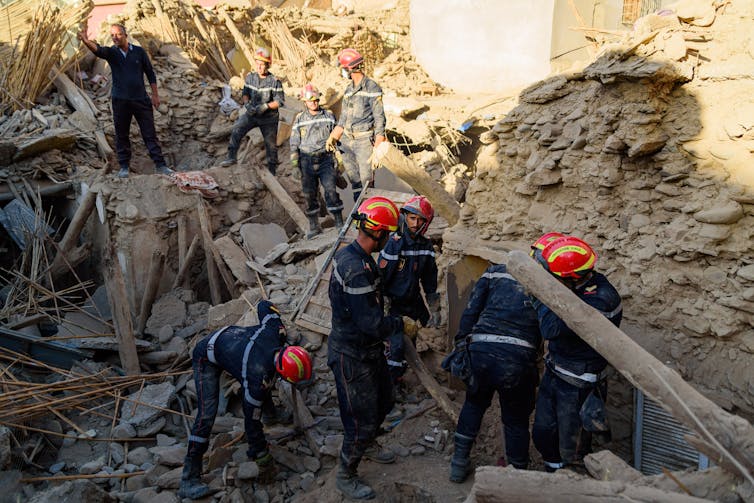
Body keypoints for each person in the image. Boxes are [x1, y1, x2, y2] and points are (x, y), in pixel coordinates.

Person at [444, 234, 562, 482]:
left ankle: (458, 464)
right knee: (516, 420)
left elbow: (471, 311)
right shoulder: (550, 285)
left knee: (474, 404)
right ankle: (517, 476)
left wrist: (461, 344)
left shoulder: (496, 271)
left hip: (481, 351)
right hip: (517, 360)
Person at [178, 300, 313, 499]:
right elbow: (251, 422)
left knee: (264, 383)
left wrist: (280, 323)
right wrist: (261, 456)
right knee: (207, 415)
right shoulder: (256, 377)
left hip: (232, 340)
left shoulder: (275, 330)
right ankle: (188, 478)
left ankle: (271, 416)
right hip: (206, 356)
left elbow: (263, 305)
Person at [328, 196, 407, 500]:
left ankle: (370, 443)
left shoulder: (358, 256)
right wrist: (399, 325)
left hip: (368, 350)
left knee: (384, 401)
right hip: (352, 355)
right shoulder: (356, 268)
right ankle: (346, 474)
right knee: (360, 419)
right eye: (388, 232)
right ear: (379, 233)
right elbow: (371, 324)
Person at [530, 236, 623, 472]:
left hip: (578, 386)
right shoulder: (582, 284)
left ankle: (570, 484)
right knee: (543, 434)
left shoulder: (599, 300)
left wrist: (538, 292)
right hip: (556, 373)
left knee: (572, 448)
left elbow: (550, 328)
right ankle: (554, 475)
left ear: (571, 278)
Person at [77, 23, 174, 178]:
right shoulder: (112, 53)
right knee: (122, 134)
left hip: (141, 100)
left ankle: (161, 165)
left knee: (149, 134)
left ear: (125, 34)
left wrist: (155, 95)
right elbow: (98, 50)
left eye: (118, 34)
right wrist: (85, 41)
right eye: (112, 35)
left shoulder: (139, 52)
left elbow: (150, 73)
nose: (115, 38)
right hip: (120, 101)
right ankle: (124, 167)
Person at [378, 195, 439, 385]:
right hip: (393, 303)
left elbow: (429, 279)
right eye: (412, 218)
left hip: (412, 302)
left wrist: (433, 307)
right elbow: (381, 277)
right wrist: (384, 307)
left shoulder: (426, 246)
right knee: (394, 347)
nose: (415, 223)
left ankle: (399, 379)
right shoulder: (394, 243)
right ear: (405, 217)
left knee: (409, 342)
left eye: (419, 219)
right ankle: (389, 390)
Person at [325, 48, 386, 202]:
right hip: (346, 141)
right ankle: (358, 216)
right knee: (355, 181)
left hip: (364, 141)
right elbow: (344, 117)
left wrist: (378, 145)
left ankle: (369, 215)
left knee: (367, 182)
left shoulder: (372, 87)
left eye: (343, 68)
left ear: (350, 68)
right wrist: (334, 135)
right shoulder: (348, 89)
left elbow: (380, 118)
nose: (342, 72)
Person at [290, 84, 344, 238]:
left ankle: (339, 223)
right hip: (306, 160)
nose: (313, 103)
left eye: (315, 100)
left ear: (319, 99)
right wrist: (295, 165)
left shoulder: (328, 115)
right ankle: (314, 227)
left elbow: (337, 139)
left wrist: (339, 161)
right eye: (310, 100)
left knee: (331, 190)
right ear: (304, 102)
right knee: (309, 194)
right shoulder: (300, 119)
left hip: (325, 159)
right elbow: (294, 143)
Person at [219, 48, 284, 174]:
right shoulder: (250, 78)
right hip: (252, 114)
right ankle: (231, 157)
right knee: (237, 129)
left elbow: (279, 101)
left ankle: (272, 171)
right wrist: (247, 104)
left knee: (271, 146)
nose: (259, 67)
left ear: (267, 65)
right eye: (257, 64)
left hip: (268, 118)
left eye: (262, 64)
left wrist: (265, 106)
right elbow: (245, 93)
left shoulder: (275, 82)